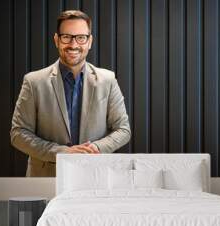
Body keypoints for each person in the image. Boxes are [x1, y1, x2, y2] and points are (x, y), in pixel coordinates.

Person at [10, 10, 131, 177]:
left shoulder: (108, 80)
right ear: (56, 40)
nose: (73, 45)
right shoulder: (33, 82)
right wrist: (61, 152)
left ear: (90, 41)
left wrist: (95, 149)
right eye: (66, 37)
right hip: (45, 179)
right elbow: (18, 133)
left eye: (81, 37)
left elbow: (123, 130)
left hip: (96, 176)